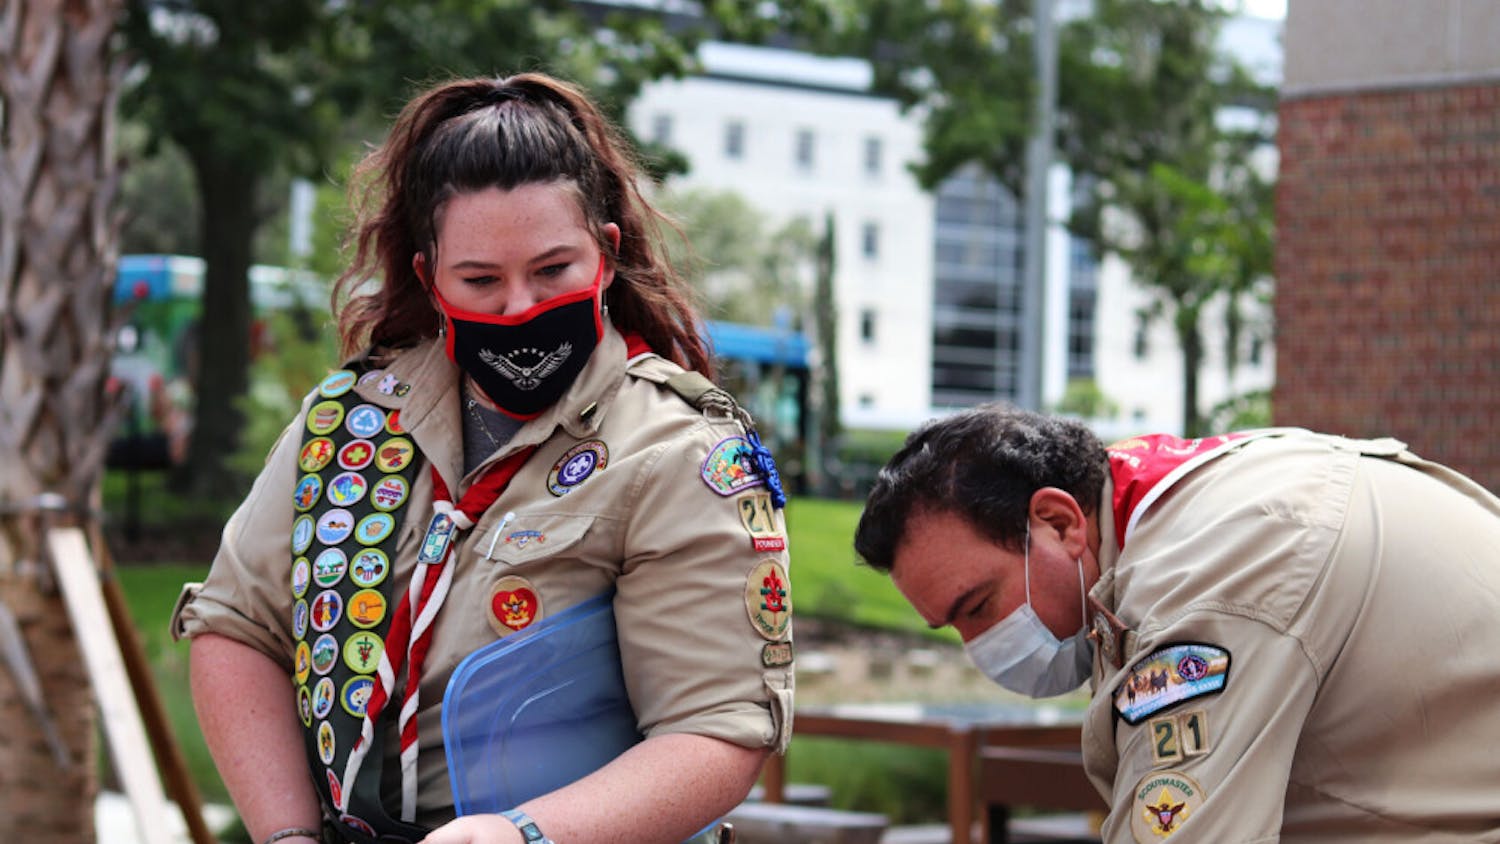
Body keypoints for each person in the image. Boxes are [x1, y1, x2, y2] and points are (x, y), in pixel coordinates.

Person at [172, 73, 795, 844]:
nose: (519, 307)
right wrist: (288, 835)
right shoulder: (349, 420)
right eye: (481, 280)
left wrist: (524, 836)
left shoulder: (680, 450)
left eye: (552, 271)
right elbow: (238, 626)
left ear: (605, 255)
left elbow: (717, 733)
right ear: (431, 280)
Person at [853, 404, 1500, 842]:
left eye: (978, 607)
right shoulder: (1159, 514)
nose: (982, 648)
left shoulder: (1205, 577)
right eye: (954, 628)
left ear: (1059, 523)